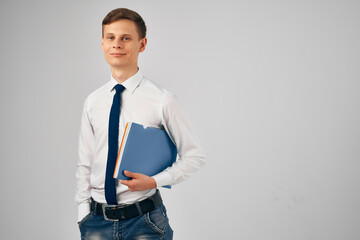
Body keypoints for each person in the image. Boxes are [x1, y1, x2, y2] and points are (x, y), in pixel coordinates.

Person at [75, 8, 206, 240]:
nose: (117, 44)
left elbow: (194, 156)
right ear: (103, 44)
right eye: (110, 37)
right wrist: (82, 213)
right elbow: (85, 162)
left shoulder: (162, 100)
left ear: (142, 44)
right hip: (96, 222)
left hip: (144, 221)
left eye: (126, 38)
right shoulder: (93, 102)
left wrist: (155, 181)